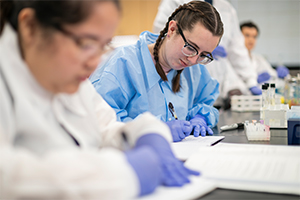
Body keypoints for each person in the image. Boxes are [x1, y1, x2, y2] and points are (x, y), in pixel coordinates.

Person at [0, 1, 199, 199]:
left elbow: (104, 127)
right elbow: (7, 178)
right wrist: (122, 176)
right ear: (30, 27)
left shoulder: (67, 75)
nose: (95, 62)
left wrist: (146, 132)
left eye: (103, 46)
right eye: (86, 43)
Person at [90, 1, 224, 142]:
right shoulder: (125, 63)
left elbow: (206, 102)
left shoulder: (195, 71)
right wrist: (153, 130)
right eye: (191, 48)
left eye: (203, 55)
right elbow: (100, 120)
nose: (193, 60)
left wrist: (201, 117)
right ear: (172, 29)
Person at [152, 0, 262, 109]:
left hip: (214, 91)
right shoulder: (175, 2)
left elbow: (238, 51)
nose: (193, 60)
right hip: (179, 81)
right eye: (191, 47)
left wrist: (251, 81)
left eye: (204, 53)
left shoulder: (227, 9)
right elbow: (161, 34)